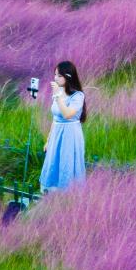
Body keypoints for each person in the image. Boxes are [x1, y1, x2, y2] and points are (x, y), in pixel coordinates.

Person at [39, 60, 87, 193]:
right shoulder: (58, 93)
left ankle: (69, 194)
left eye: (59, 75)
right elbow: (56, 118)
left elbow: (67, 115)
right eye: (55, 75)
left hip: (70, 134)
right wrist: (48, 140)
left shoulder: (78, 96)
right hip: (57, 133)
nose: (55, 78)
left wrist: (58, 96)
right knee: (54, 161)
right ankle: (52, 193)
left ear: (68, 76)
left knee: (68, 161)